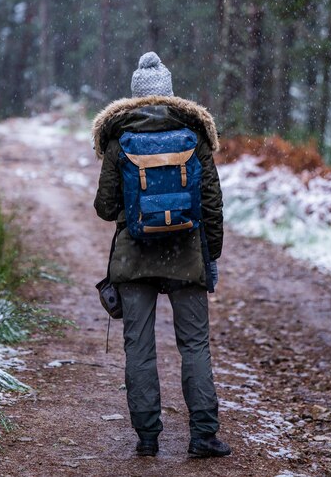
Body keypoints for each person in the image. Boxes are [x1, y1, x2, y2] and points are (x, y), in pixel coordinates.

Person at [92, 52, 231, 459]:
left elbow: (104, 207)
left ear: (134, 97)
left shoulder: (120, 141)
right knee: (195, 347)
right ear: (170, 94)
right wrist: (211, 256)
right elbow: (211, 205)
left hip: (134, 261)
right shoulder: (195, 136)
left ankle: (148, 437)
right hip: (186, 256)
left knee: (139, 348)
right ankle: (203, 435)